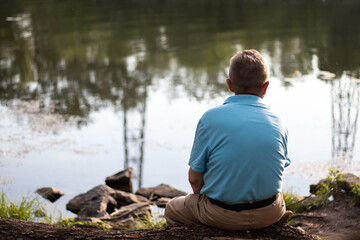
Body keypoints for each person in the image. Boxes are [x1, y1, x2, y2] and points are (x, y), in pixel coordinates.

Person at [164, 49, 291, 230]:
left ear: (230, 85)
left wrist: (204, 200)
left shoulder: (210, 119)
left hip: (221, 214)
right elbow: (277, 166)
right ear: (266, 87)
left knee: (171, 208)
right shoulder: (279, 122)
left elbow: (194, 178)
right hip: (269, 212)